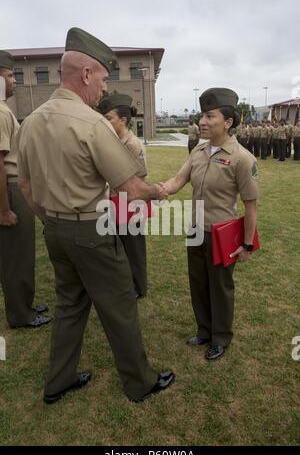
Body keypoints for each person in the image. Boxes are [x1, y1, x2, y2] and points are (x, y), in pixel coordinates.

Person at [16, 27, 175, 403]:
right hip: (92, 228)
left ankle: (59, 380)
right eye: (103, 79)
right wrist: (160, 192)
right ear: (86, 74)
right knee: (119, 305)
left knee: (69, 305)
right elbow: (131, 189)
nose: (105, 89)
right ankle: (139, 382)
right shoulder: (93, 123)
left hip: (54, 228)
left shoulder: (31, 121)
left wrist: (50, 219)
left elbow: (24, 187)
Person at [162, 88, 259, 361]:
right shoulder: (199, 151)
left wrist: (247, 244)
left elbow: (250, 205)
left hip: (221, 233)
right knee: (198, 283)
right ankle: (204, 330)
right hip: (195, 230)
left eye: (210, 116)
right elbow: (178, 180)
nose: (202, 121)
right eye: (202, 115)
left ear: (228, 122)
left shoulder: (242, 158)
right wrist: (158, 189)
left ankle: (221, 337)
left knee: (220, 286)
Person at [0, 50, 51, 328]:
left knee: (20, 254)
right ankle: (21, 314)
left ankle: (24, 304)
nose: (14, 81)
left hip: (11, 187)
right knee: (16, 257)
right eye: (9, 76)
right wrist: (5, 208)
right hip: (8, 188)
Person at [98, 93, 148, 299]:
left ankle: (138, 288)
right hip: (115, 201)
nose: (105, 122)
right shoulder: (116, 141)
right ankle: (126, 283)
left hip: (130, 203)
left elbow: (141, 176)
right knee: (119, 246)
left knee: (134, 249)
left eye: (109, 118)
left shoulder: (132, 144)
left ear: (123, 120)